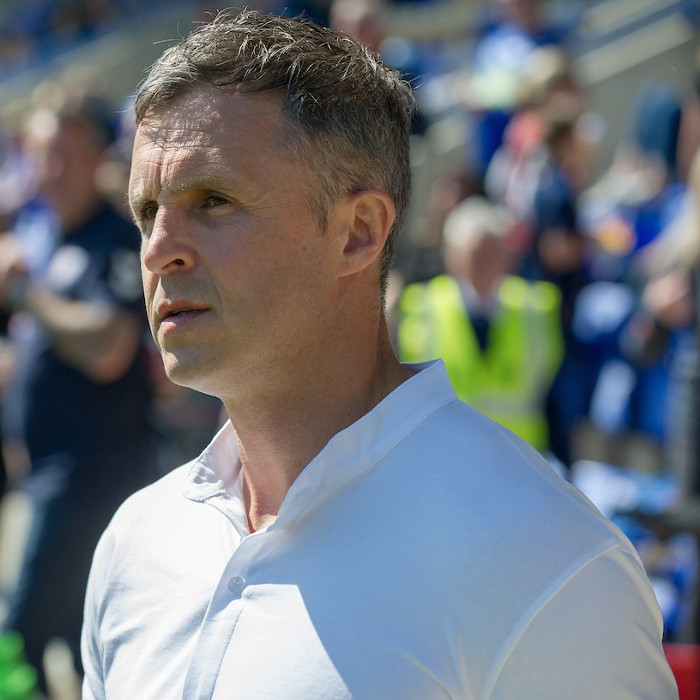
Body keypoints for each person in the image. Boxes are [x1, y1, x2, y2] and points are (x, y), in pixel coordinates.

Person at [81, 9, 678, 699]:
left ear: (359, 231)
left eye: (213, 200)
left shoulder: (547, 562)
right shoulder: (137, 542)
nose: (158, 250)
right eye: (147, 212)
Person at [0, 92, 157, 690]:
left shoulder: (115, 240)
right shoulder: (45, 239)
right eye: (42, 155)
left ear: (99, 159)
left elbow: (109, 349)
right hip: (48, 476)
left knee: (18, 642)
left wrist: (28, 295)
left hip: (91, 480)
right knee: (78, 649)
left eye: (65, 154)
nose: (51, 170)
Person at [397, 196, 563, 454]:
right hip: (445, 451)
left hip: (518, 453)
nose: (483, 264)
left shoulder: (536, 306)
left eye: (491, 253)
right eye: (474, 255)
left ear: (507, 256)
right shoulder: (421, 305)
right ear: (452, 256)